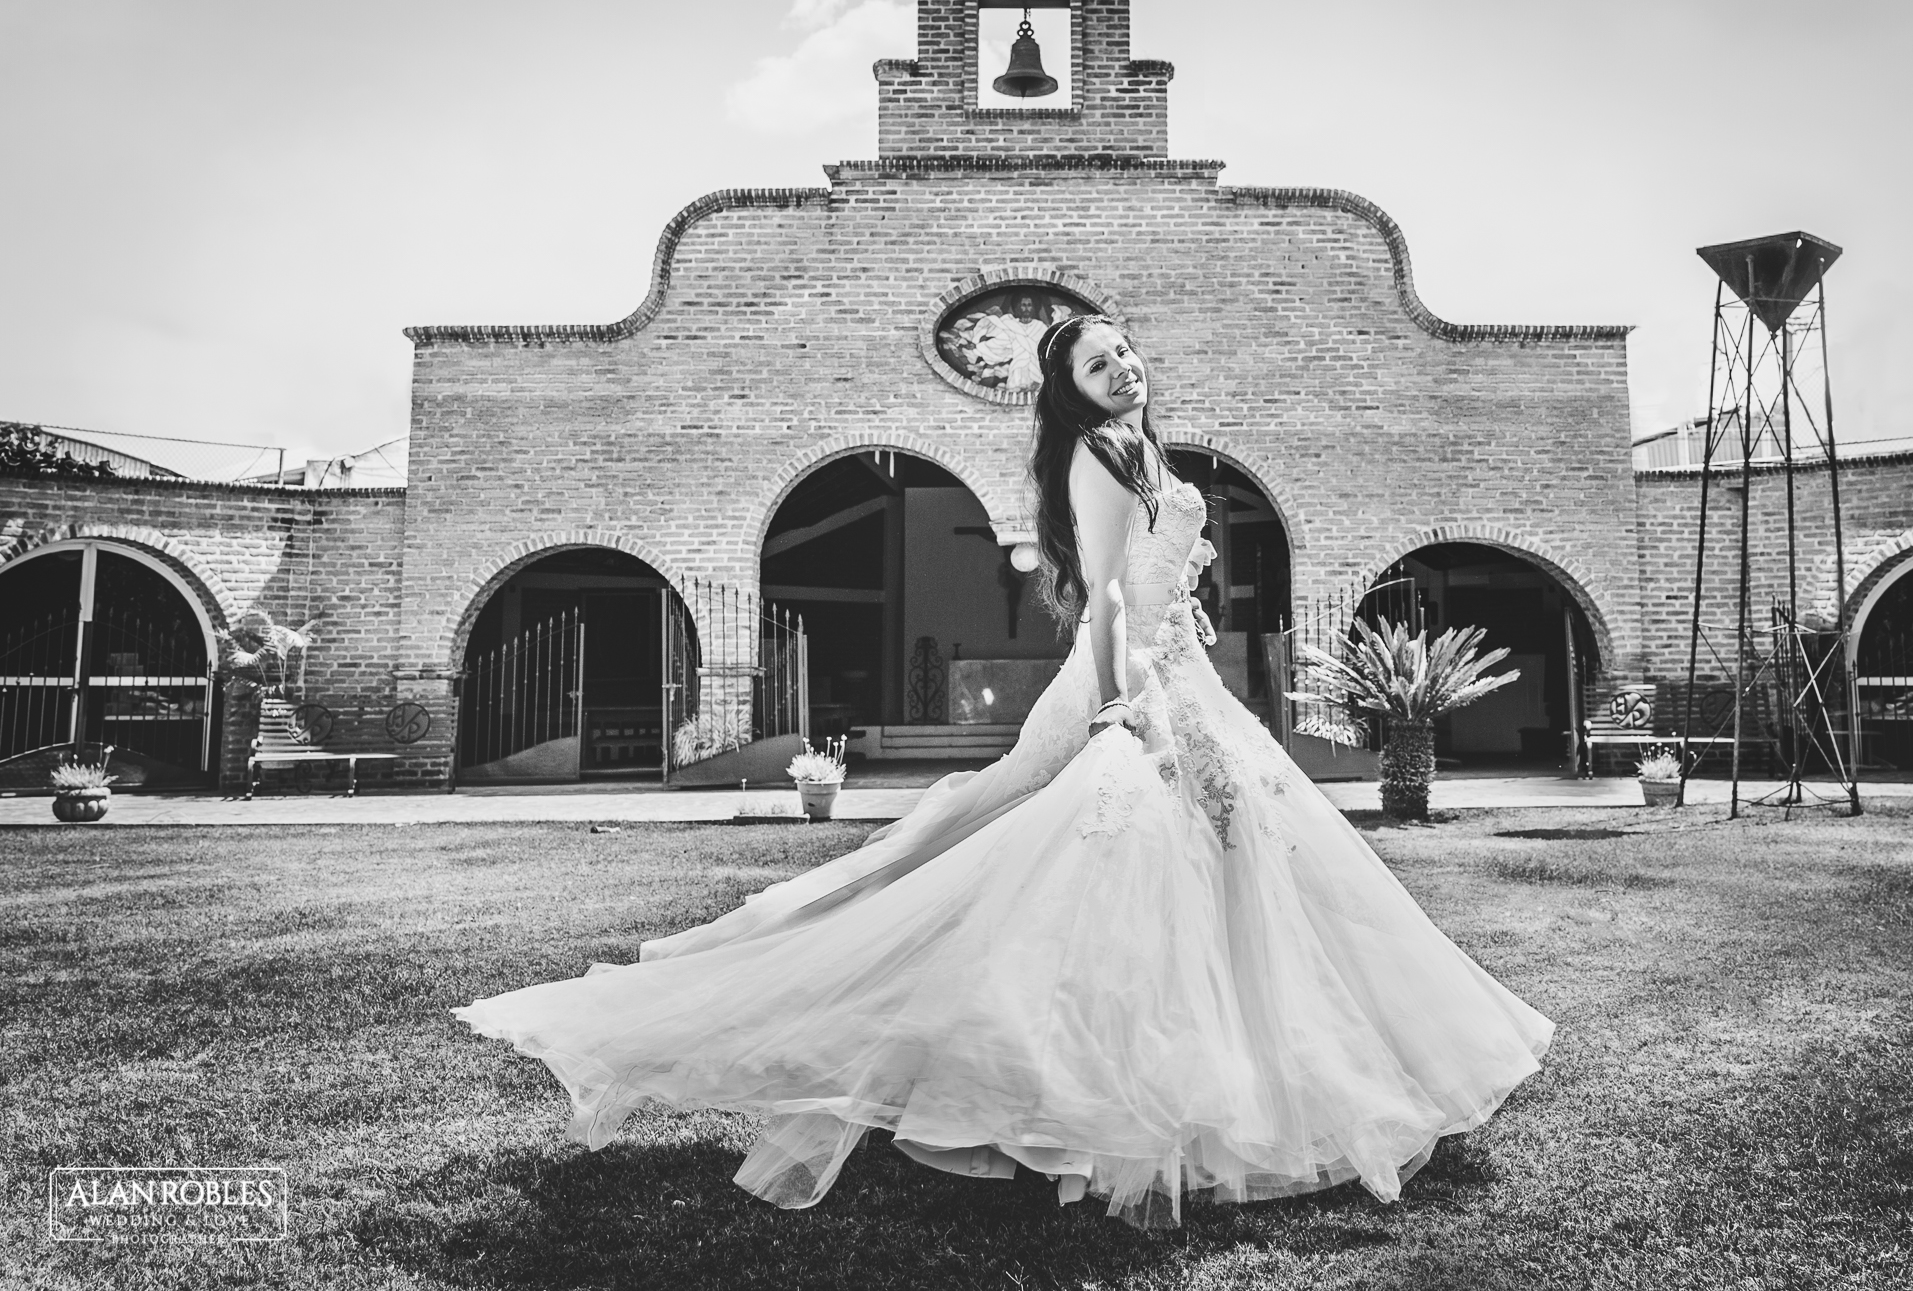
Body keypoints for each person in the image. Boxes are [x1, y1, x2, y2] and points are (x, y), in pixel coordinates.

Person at [452, 316, 1555, 1228]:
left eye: (1124, 351)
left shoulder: (1144, 448)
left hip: (1182, 680)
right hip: (1134, 682)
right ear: (1069, 396)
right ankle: (1074, 1085)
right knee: (1094, 853)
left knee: (1228, 863)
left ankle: (1241, 1087)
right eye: (1096, 364)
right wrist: (1136, 709)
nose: (1122, 366)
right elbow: (1117, 596)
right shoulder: (1096, 456)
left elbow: (1154, 591)